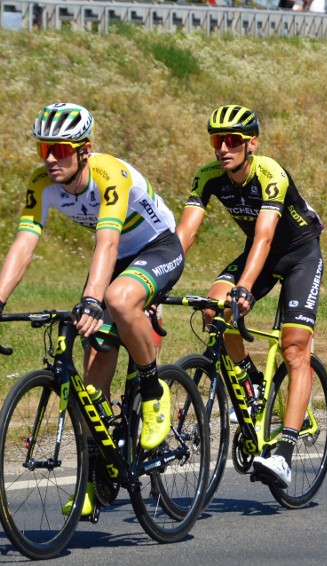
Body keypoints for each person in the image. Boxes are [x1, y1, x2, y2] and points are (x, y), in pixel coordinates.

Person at [0, 102, 183, 514]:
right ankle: (95, 478)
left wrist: (92, 298)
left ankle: (154, 391)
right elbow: (24, 244)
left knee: (116, 299)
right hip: (115, 259)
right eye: (42, 149)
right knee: (93, 366)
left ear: (84, 149)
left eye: (59, 149)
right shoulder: (41, 184)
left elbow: (108, 242)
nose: (49, 158)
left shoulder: (108, 174)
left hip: (156, 247)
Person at [176, 104, 324, 488]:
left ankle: (285, 455)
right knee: (213, 309)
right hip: (259, 254)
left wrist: (246, 287)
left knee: (294, 349)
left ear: (251, 143)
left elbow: (264, 236)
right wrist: (158, 279)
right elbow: (185, 234)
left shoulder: (269, 173)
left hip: (299, 255)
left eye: (233, 140)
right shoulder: (208, 177)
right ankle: (250, 383)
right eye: (216, 140)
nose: (223, 148)